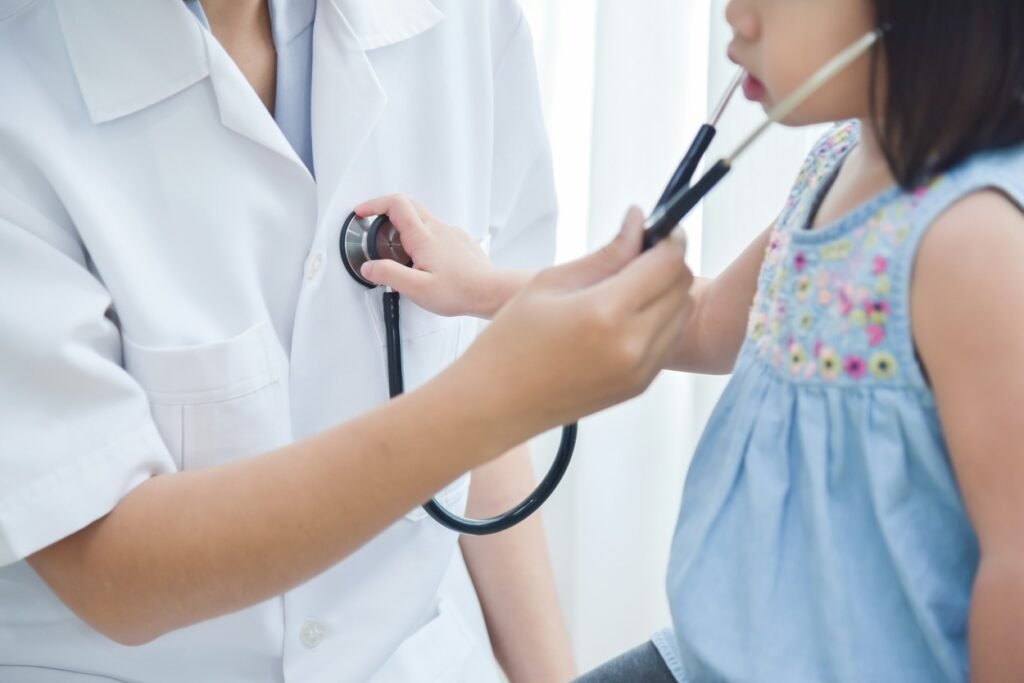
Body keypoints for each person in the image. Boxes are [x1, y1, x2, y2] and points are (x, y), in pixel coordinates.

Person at [0, 1, 693, 681]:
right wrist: (495, 397)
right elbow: (112, 569)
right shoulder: (23, 83)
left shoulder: (464, 20)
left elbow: (465, 378)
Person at [374, 0, 1024, 681]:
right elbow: (705, 316)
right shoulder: (843, 157)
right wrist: (480, 287)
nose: (734, 13)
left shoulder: (970, 238)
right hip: (712, 657)